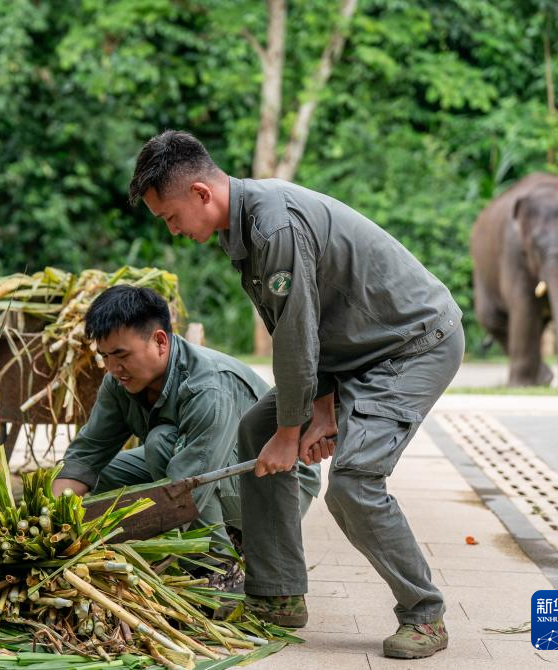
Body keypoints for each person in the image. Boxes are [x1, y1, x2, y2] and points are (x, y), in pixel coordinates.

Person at [128, 130, 464, 660]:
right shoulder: (241, 231)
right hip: (354, 350)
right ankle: (277, 594)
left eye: (170, 217)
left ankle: (424, 614)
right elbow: (307, 324)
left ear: (199, 193)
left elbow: (296, 338)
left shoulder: (274, 226)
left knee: (353, 483)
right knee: (255, 430)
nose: (173, 231)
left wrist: (292, 434)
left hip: (410, 345)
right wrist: (318, 411)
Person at [53, 284, 320, 587]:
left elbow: (189, 485)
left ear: (160, 341)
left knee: (161, 444)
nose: (113, 367)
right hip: (205, 467)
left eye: (121, 355)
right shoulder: (119, 382)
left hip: (274, 482)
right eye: (104, 356)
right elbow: (87, 454)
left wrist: (116, 534)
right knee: (100, 476)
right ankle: (206, 541)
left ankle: (218, 568)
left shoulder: (207, 386)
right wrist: (51, 514)